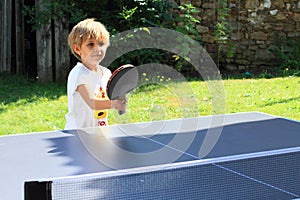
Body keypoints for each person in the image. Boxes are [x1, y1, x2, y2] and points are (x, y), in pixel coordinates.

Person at [65, 18, 126, 129]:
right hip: (77, 134)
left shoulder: (106, 73)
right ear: (77, 49)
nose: (97, 49)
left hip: (99, 132)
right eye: (90, 44)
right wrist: (113, 104)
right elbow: (91, 102)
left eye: (101, 44)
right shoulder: (78, 74)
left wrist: (120, 102)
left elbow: (109, 98)